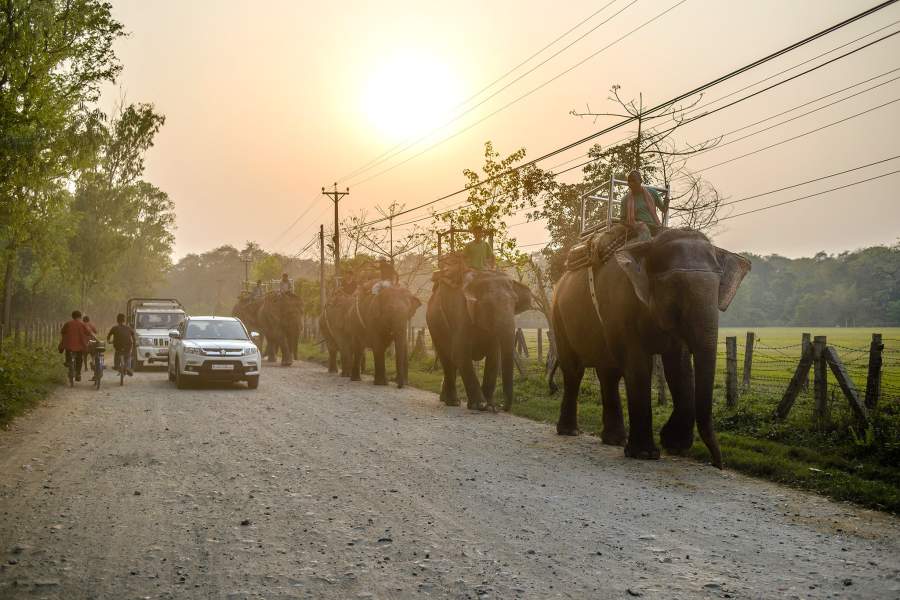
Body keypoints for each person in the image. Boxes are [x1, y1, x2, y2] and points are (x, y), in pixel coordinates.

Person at [59, 310, 91, 382]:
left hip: (69, 345)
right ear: (80, 317)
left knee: (68, 351)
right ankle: (78, 374)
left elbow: (62, 331)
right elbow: (88, 332)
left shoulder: (68, 323)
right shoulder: (82, 324)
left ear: (72, 316)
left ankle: (68, 362)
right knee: (79, 359)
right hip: (79, 346)